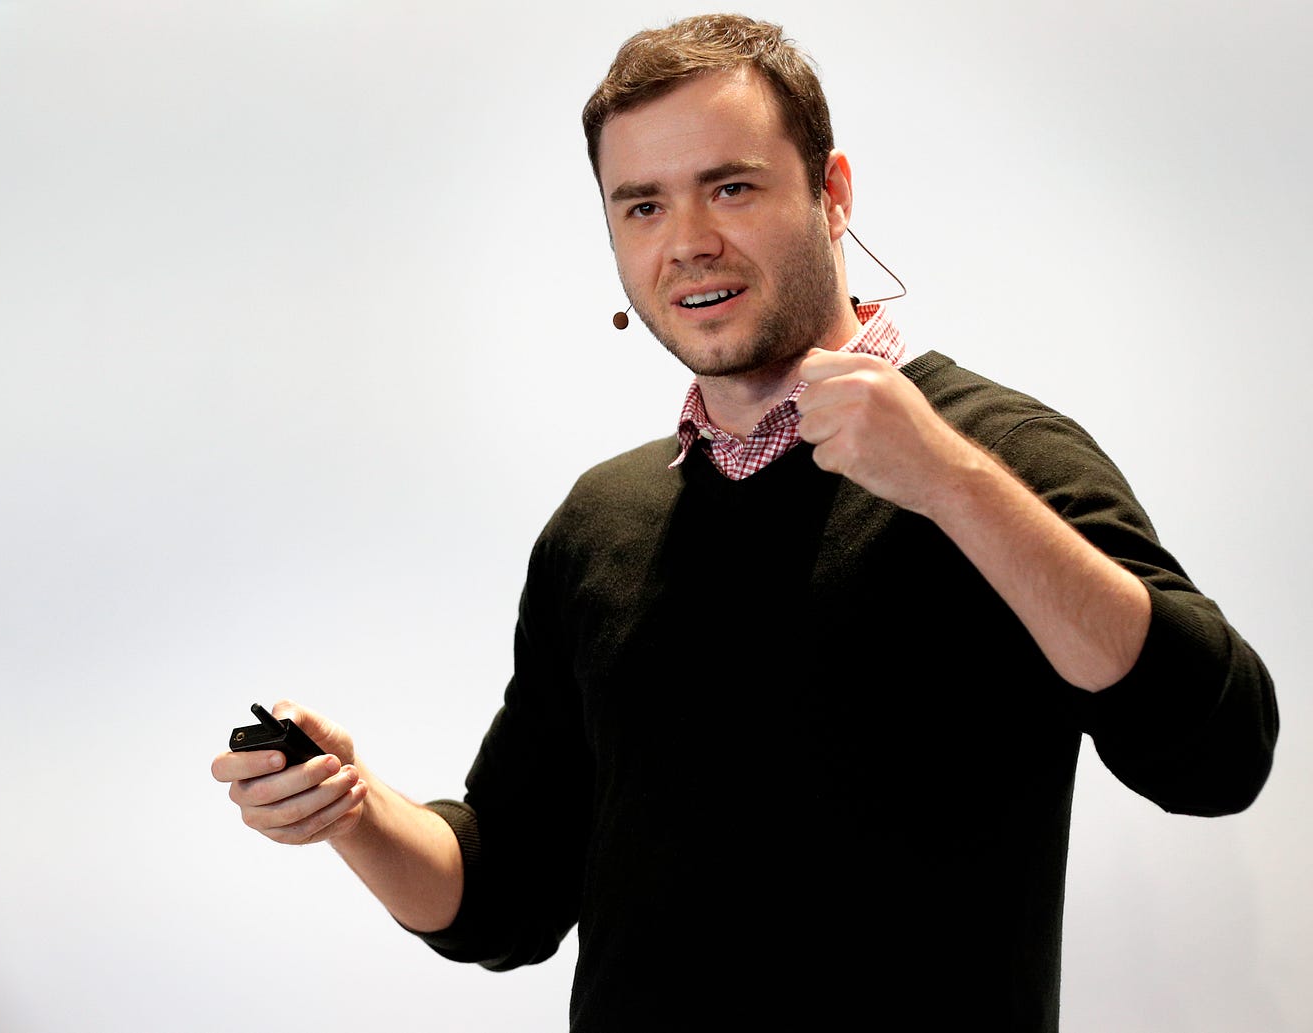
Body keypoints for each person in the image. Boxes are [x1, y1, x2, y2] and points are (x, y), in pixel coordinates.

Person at [211, 14, 1278, 1031]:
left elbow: (1217, 752)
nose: (688, 242)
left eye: (730, 187)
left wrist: (950, 483)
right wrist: (350, 809)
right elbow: (505, 894)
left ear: (832, 194)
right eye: (643, 205)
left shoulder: (995, 457)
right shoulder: (604, 523)